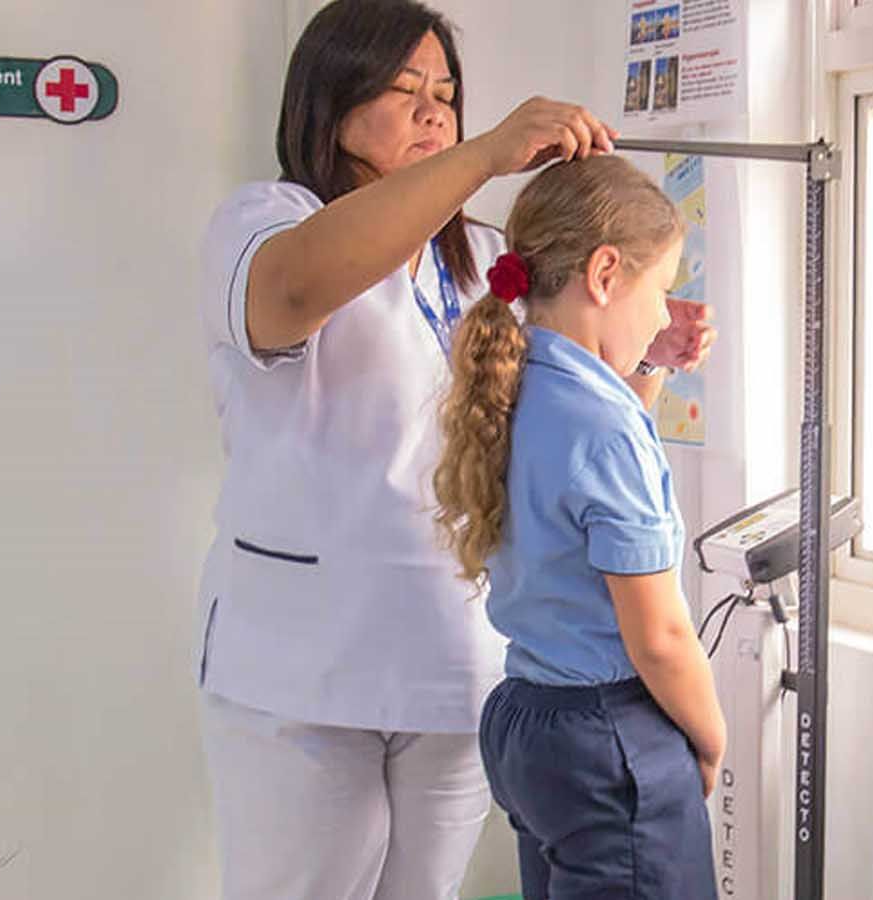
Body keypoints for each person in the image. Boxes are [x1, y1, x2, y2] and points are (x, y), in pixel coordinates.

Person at [195, 2, 715, 898]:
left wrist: (639, 351)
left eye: (445, 95)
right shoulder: (267, 221)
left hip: (455, 661)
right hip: (304, 670)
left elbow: (562, 438)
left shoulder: (482, 257)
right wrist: (483, 157)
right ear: (329, 103)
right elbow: (296, 290)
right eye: (405, 91)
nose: (434, 113)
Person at [433, 154, 724, 900]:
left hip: (531, 724)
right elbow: (660, 637)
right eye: (660, 291)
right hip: (611, 738)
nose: (663, 314)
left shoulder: (519, 387)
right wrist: (709, 736)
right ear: (604, 274)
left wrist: (653, 364)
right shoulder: (600, 427)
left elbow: (597, 464)